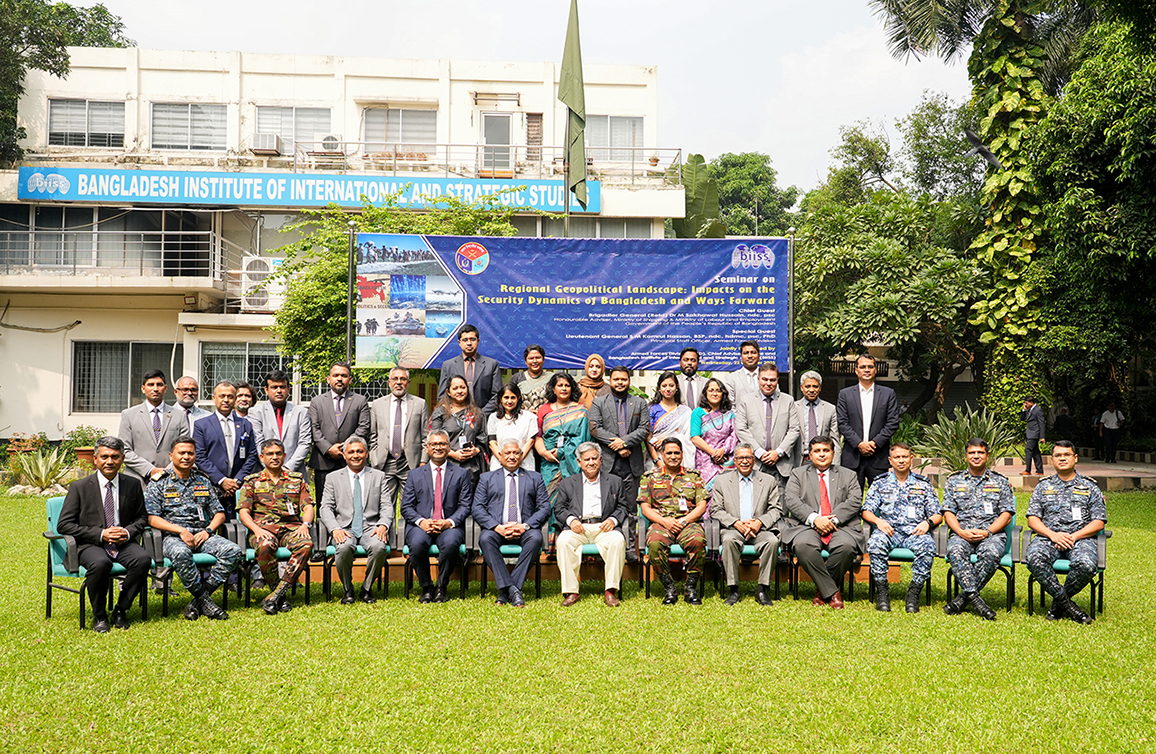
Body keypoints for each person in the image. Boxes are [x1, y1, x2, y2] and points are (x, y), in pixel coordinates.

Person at [57, 436, 151, 633]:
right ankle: (99, 615)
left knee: (142, 560)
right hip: (89, 544)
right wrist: (101, 534)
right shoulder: (79, 487)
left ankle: (120, 610)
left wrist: (126, 532)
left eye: (115, 457)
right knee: (101, 563)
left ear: (122, 459)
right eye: (105, 456)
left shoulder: (132, 485)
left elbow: (142, 518)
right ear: (95, 459)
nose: (110, 461)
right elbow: (64, 525)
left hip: (122, 543)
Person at [144, 439, 243, 621]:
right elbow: (152, 518)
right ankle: (204, 600)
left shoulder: (203, 480)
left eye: (190, 453)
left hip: (201, 534)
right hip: (172, 537)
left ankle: (199, 600)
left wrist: (208, 531)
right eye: (181, 453)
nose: (186, 457)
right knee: (181, 553)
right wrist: (181, 531)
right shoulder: (159, 482)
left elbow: (219, 514)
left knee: (233, 551)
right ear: (171, 455)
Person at [1024, 441, 1106, 624]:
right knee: (1034, 558)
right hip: (1048, 538)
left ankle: (1057, 606)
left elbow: (1099, 522)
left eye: (1067, 455)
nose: (1062, 458)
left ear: (1075, 458)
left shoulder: (1090, 486)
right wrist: (1053, 535)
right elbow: (1032, 519)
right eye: (1058, 455)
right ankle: (1068, 606)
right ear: (1052, 460)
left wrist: (1074, 536)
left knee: (1086, 564)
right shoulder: (1042, 486)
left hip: (1080, 539)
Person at [780, 436, 866, 610]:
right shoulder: (798, 474)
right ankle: (833, 593)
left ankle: (822, 591)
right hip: (806, 525)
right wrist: (815, 519)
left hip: (840, 526)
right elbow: (792, 500)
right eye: (817, 451)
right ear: (809, 455)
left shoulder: (848, 475)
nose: (821, 455)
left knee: (846, 546)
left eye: (826, 451)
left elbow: (855, 501)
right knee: (803, 545)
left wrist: (832, 520)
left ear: (833, 454)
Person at [860, 443, 942, 613]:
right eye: (897, 457)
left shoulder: (924, 483)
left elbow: (938, 514)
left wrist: (927, 523)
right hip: (889, 530)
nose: (901, 460)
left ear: (911, 459)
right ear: (890, 460)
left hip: (915, 531)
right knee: (875, 543)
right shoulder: (880, 482)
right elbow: (866, 511)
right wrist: (878, 521)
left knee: (927, 547)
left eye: (905, 456)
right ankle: (882, 592)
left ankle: (913, 593)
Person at [238, 439, 315, 615]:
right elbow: (243, 512)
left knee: (306, 544)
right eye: (270, 454)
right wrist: (256, 530)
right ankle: (278, 593)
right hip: (263, 529)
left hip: (291, 528)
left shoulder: (296, 479)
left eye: (278, 453)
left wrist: (306, 524)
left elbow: (308, 507)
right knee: (265, 545)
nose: (274, 457)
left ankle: (276, 595)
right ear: (262, 457)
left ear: (284, 456)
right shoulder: (252, 481)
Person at [941, 438, 1015, 621]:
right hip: (961, 533)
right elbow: (948, 512)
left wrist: (988, 532)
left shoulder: (1000, 481)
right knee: (955, 551)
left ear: (987, 456)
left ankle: (962, 599)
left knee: (991, 553)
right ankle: (976, 600)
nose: (976, 456)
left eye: (980, 452)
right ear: (966, 456)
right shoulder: (953, 481)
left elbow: (1006, 515)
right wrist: (959, 532)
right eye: (972, 452)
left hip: (991, 534)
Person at [472, 440, 551, 607]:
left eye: (516, 453)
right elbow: (477, 508)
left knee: (536, 538)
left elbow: (544, 508)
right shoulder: (486, 478)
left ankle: (506, 590)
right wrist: (497, 527)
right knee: (486, 539)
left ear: (522, 456)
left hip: (525, 529)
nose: (512, 457)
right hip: (497, 529)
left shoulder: (534, 478)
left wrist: (525, 526)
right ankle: (514, 590)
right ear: (500, 456)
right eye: (507, 453)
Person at [399, 430, 473, 603]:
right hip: (421, 525)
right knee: (416, 544)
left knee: (450, 543)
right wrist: (422, 521)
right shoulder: (414, 474)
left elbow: (465, 505)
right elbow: (406, 506)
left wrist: (449, 522)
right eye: (434, 444)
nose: (438, 447)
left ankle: (441, 586)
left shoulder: (461, 474)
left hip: (449, 525)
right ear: (427, 447)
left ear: (448, 447)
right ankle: (426, 587)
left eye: (442, 444)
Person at [554, 442, 628, 607]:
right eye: (586, 459)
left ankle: (610, 591)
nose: (591, 462)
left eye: (595, 458)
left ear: (601, 460)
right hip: (578, 527)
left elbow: (623, 507)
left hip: (604, 527)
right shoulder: (568, 483)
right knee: (564, 541)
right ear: (579, 462)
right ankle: (571, 591)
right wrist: (571, 520)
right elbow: (559, 509)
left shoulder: (615, 481)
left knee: (617, 541)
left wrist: (613, 520)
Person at [319, 436, 391, 604]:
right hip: (344, 527)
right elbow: (325, 508)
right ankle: (347, 588)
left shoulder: (379, 476)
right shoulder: (333, 478)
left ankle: (366, 588)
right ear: (344, 455)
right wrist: (335, 529)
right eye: (351, 452)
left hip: (370, 527)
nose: (355, 455)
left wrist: (383, 525)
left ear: (366, 454)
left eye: (359, 451)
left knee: (379, 547)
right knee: (343, 548)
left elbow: (387, 506)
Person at [589, 366, 648, 562]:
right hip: (607, 464)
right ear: (610, 380)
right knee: (605, 508)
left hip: (631, 464)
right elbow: (595, 429)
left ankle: (630, 549)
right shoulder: (599, 402)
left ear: (629, 381)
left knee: (631, 509)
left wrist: (624, 442)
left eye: (624, 379)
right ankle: (601, 548)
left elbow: (644, 429)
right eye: (616, 379)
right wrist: (617, 444)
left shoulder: (639, 402)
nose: (620, 382)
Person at [710, 443, 781, 606]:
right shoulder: (722, 481)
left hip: (760, 529)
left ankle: (762, 588)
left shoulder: (768, 480)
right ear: (734, 461)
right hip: (733, 528)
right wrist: (735, 523)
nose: (744, 461)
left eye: (748, 457)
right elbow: (715, 509)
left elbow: (776, 509)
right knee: (728, 541)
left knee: (772, 541)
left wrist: (759, 522)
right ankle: (734, 589)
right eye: (740, 458)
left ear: (754, 460)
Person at [639, 438, 707, 605]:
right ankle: (669, 587)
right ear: (662, 454)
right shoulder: (650, 477)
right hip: (661, 523)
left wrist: (683, 521)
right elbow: (645, 508)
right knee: (654, 543)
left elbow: (701, 506)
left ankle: (691, 587)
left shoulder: (694, 476)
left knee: (698, 541)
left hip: (688, 522)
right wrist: (665, 521)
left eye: (677, 452)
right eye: (669, 453)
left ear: (682, 455)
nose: (673, 456)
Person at [192, 381, 259, 520]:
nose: (226, 400)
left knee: (237, 527)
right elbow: (199, 456)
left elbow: (252, 455)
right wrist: (222, 480)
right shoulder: (201, 425)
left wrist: (236, 481)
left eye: (230, 396)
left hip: (238, 487)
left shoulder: (246, 424)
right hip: (211, 486)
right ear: (214, 398)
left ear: (235, 399)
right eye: (222, 396)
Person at [307, 361, 371, 502]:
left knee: (350, 502)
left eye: (344, 375)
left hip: (351, 461)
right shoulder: (317, 402)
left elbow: (363, 427)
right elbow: (314, 428)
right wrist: (328, 448)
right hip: (324, 461)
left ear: (350, 379)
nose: (339, 379)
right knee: (324, 502)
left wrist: (345, 448)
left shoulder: (360, 401)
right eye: (336, 375)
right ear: (328, 379)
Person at [368, 366, 429, 509]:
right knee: (385, 507)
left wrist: (422, 461)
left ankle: (406, 532)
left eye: (403, 379)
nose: (399, 382)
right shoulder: (378, 405)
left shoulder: (420, 404)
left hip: (410, 464)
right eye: (395, 379)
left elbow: (426, 436)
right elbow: (372, 435)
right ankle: (387, 532)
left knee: (411, 506)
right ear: (389, 382)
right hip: (384, 463)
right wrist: (374, 457)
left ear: (408, 383)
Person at [836, 353, 900, 488]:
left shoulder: (888, 394)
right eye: (863, 367)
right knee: (852, 502)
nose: (866, 370)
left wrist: (874, 443)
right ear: (856, 370)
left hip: (878, 456)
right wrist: (859, 444)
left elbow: (892, 422)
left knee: (880, 501)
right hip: (852, 457)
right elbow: (842, 422)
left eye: (870, 366)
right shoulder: (845, 394)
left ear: (875, 370)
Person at [118, 369, 188, 483]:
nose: (155, 389)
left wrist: (166, 472)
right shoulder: (129, 415)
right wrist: (150, 470)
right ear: (143, 389)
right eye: (151, 385)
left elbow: (184, 449)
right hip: (137, 479)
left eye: (159, 385)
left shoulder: (179, 416)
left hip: (171, 479)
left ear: (165, 389)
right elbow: (124, 449)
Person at [735, 362, 799, 483]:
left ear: (777, 380)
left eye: (772, 380)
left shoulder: (788, 400)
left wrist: (778, 452)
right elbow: (741, 429)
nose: (768, 383)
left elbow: (794, 429)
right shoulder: (746, 401)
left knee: (781, 501)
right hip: (755, 464)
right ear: (758, 379)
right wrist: (759, 452)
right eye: (765, 379)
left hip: (781, 465)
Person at [535, 372, 590, 508]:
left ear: (572, 388)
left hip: (573, 462)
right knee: (549, 499)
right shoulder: (544, 409)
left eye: (567, 385)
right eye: (560, 385)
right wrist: (544, 453)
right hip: (549, 463)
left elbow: (584, 439)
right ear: (553, 389)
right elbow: (538, 436)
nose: (564, 388)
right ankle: (551, 529)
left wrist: (562, 451)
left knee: (573, 498)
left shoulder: (581, 409)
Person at [248, 370, 312, 474]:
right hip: (265, 475)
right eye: (274, 387)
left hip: (294, 473)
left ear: (288, 389)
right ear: (266, 390)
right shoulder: (256, 413)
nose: (279, 391)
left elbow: (304, 443)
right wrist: (273, 468)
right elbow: (258, 442)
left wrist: (287, 468)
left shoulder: (301, 412)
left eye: (282, 387)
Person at [430, 374, 487, 488]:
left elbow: (484, 440)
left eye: (463, 387)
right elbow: (432, 440)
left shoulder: (478, 413)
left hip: (472, 469)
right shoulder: (440, 412)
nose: (459, 391)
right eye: (455, 388)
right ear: (448, 392)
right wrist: (452, 454)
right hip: (447, 465)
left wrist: (476, 450)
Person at [437, 323, 502, 415]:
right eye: (465, 340)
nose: (469, 343)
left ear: (478, 341)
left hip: (483, 417)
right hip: (455, 418)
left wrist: (480, 414)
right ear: (459, 343)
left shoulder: (491, 364)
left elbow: (497, 395)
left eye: (472, 339)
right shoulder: (448, 365)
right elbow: (442, 396)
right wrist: (455, 414)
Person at [690, 377, 737, 493]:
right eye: (711, 390)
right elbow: (695, 438)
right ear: (705, 393)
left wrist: (722, 451)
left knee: (726, 493)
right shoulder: (698, 412)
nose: (714, 393)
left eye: (718, 390)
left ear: (723, 394)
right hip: (705, 460)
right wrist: (713, 453)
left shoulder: (730, 415)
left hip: (726, 459)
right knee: (705, 493)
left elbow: (734, 436)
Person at [647, 370, 696, 471]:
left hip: (679, 459)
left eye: (671, 385)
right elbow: (648, 437)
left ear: (677, 387)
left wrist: (666, 440)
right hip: (656, 457)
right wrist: (658, 461)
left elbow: (689, 437)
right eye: (664, 386)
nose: (668, 389)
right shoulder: (651, 409)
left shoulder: (685, 411)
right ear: (659, 388)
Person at [487, 383, 537, 471]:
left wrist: (518, 461)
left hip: (524, 464)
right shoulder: (493, 417)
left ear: (518, 398)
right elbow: (492, 443)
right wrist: (503, 461)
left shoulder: (529, 417)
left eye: (513, 397)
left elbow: (530, 442)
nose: (509, 401)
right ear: (500, 399)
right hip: (499, 465)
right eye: (506, 397)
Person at [794, 370, 840, 464]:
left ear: (820, 388)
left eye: (815, 386)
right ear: (801, 388)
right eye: (808, 386)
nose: (811, 390)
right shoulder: (793, 408)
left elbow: (835, 439)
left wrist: (835, 464)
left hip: (823, 460)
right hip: (799, 461)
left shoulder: (830, 409)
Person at [508, 344, 554, 414]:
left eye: (538, 357)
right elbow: (510, 401)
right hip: (524, 420)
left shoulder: (552, 378)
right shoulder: (517, 378)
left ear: (543, 360)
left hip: (548, 420)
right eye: (531, 358)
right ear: (525, 361)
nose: (535, 361)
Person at [725, 340, 762, 404]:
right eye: (746, 353)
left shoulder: (768, 376)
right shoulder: (731, 378)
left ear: (759, 356)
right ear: (741, 357)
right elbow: (730, 404)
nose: (750, 356)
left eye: (753, 352)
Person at [1022, 396, 1046, 475]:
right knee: (1035, 452)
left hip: (1035, 433)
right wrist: (1023, 410)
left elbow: (1041, 423)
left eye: (1027, 403)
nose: (1025, 404)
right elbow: (1022, 419)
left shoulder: (1038, 410)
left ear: (1031, 403)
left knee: (1028, 450)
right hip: (1030, 433)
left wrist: (1042, 436)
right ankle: (1039, 470)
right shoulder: (1029, 410)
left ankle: (1028, 470)